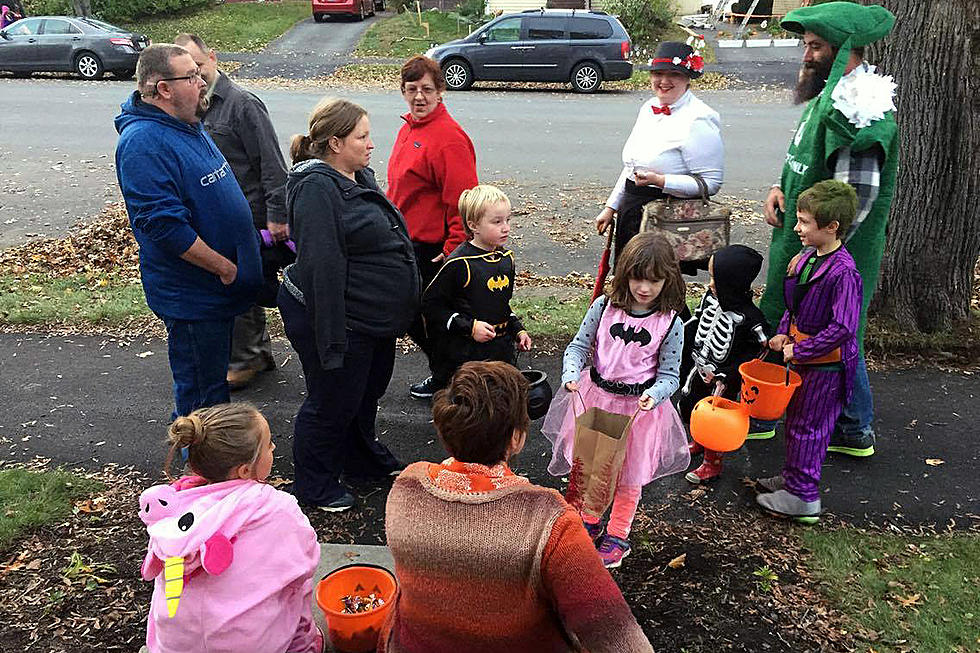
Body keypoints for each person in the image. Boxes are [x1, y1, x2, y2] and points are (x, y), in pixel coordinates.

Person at [381, 361, 654, 653]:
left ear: (445, 428)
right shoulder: (549, 519)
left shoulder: (408, 486)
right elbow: (617, 636)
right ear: (516, 438)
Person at [759, 2, 898, 459]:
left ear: (844, 52)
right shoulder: (830, 96)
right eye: (806, 45)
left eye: (816, 47)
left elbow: (854, 198)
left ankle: (854, 428)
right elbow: (807, 162)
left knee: (836, 335)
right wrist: (781, 189)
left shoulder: (860, 113)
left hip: (833, 256)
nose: (805, 55)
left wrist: (821, 256)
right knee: (798, 324)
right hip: (805, 239)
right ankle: (780, 408)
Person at [278, 98, 419, 512]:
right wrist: (332, 340)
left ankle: (358, 458)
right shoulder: (317, 189)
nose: (372, 144)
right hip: (340, 320)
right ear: (336, 143)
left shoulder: (355, 177)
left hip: (370, 321)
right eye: (362, 136)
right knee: (331, 400)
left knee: (364, 393)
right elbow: (323, 267)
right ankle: (314, 483)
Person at [115, 44, 262, 420]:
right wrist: (224, 268)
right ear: (163, 88)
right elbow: (164, 227)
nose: (201, 82)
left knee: (212, 386)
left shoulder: (186, 124)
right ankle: (198, 470)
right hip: (194, 295)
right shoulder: (143, 143)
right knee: (202, 393)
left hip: (216, 291)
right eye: (191, 76)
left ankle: (217, 465)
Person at [542, 232, 690, 568]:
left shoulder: (670, 324)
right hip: (596, 400)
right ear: (624, 274)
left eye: (654, 280)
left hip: (637, 413)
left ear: (668, 279)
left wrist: (655, 394)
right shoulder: (604, 308)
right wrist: (569, 374)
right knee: (590, 466)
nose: (644, 288)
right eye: (637, 278)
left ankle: (618, 534)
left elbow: (670, 376)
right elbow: (579, 347)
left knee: (627, 476)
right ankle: (588, 519)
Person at [139, 403, 322, 653]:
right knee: (296, 588)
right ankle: (304, 646)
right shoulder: (275, 508)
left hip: (175, 644)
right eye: (268, 444)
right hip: (249, 644)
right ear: (245, 470)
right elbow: (307, 561)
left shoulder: (174, 507)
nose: (274, 447)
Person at [175, 34, 289, 391]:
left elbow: (271, 162)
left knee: (240, 284)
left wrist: (277, 214)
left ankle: (243, 359)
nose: (197, 77)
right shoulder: (192, 108)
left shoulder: (242, 104)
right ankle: (260, 353)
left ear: (213, 56)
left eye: (199, 67)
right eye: (189, 72)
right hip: (216, 219)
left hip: (251, 217)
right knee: (240, 285)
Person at [757, 180, 862, 522]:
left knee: (810, 428)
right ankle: (792, 479)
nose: (797, 228)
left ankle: (804, 497)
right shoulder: (806, 259)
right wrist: (784, 333)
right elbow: (796, 304)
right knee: (797, 422)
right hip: (803, 358)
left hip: (826, 368)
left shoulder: (844, 273)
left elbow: (843, 327)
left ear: (831, 228)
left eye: (804, 222)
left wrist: (801, 350)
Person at [386, 55, 479, 399]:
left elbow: (462, 199)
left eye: (427, 89)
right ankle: (446, 374)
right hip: (405, 242)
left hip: (436, 248)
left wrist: (453, 248)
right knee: (413, 315)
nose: (419, 96)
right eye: (412, 89)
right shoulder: (408, 128)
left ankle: (454, 381)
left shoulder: (449, 138)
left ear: (441, 90)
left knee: (436, 317)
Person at [594, 40, 724, 269]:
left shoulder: (700, 118)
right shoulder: (648, 108)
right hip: (632, 211)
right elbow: (631, 166)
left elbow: (711, 183)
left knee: (655, 286)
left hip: (666, 218)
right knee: (629, 281)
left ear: (688, 78)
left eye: (673, 74)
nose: (663, 81)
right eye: (658, 73)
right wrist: (611, 207)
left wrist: (661, 181)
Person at [420, 184, 532, 394]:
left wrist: (517, 329)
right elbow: (431, 306)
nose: (505, 227)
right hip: (467, 354)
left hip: (501, 351)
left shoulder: (506, 259)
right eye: (497, 222)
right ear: (473, 225)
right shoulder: (459, 263)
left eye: (508, 219)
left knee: (505, 402)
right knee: (473, 409)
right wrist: (469, 327)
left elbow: (500, 303)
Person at [679, 245, 770, 484]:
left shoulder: (750, 319)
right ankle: (698, 441)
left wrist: (729, 375)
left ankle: (713, 463)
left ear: (733, 283)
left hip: (723, 380)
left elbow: (760, 351)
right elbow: (698, 320)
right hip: (700, 366)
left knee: (715, 420)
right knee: (691, 403)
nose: (710, 285)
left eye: (715, 279)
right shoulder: (711, 298)